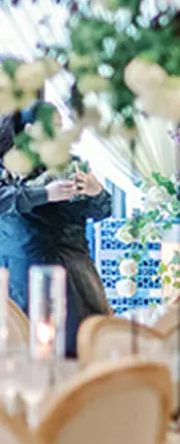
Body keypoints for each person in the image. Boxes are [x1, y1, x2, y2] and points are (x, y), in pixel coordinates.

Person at [0, 112, 112, 356]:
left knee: (82, 350)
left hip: (75, 267)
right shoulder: (6, 165)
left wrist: (96, 192)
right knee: (24, 353)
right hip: (23, 270)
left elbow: (102, 210)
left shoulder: (71, 163)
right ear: (30, 129)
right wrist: (45, 194)